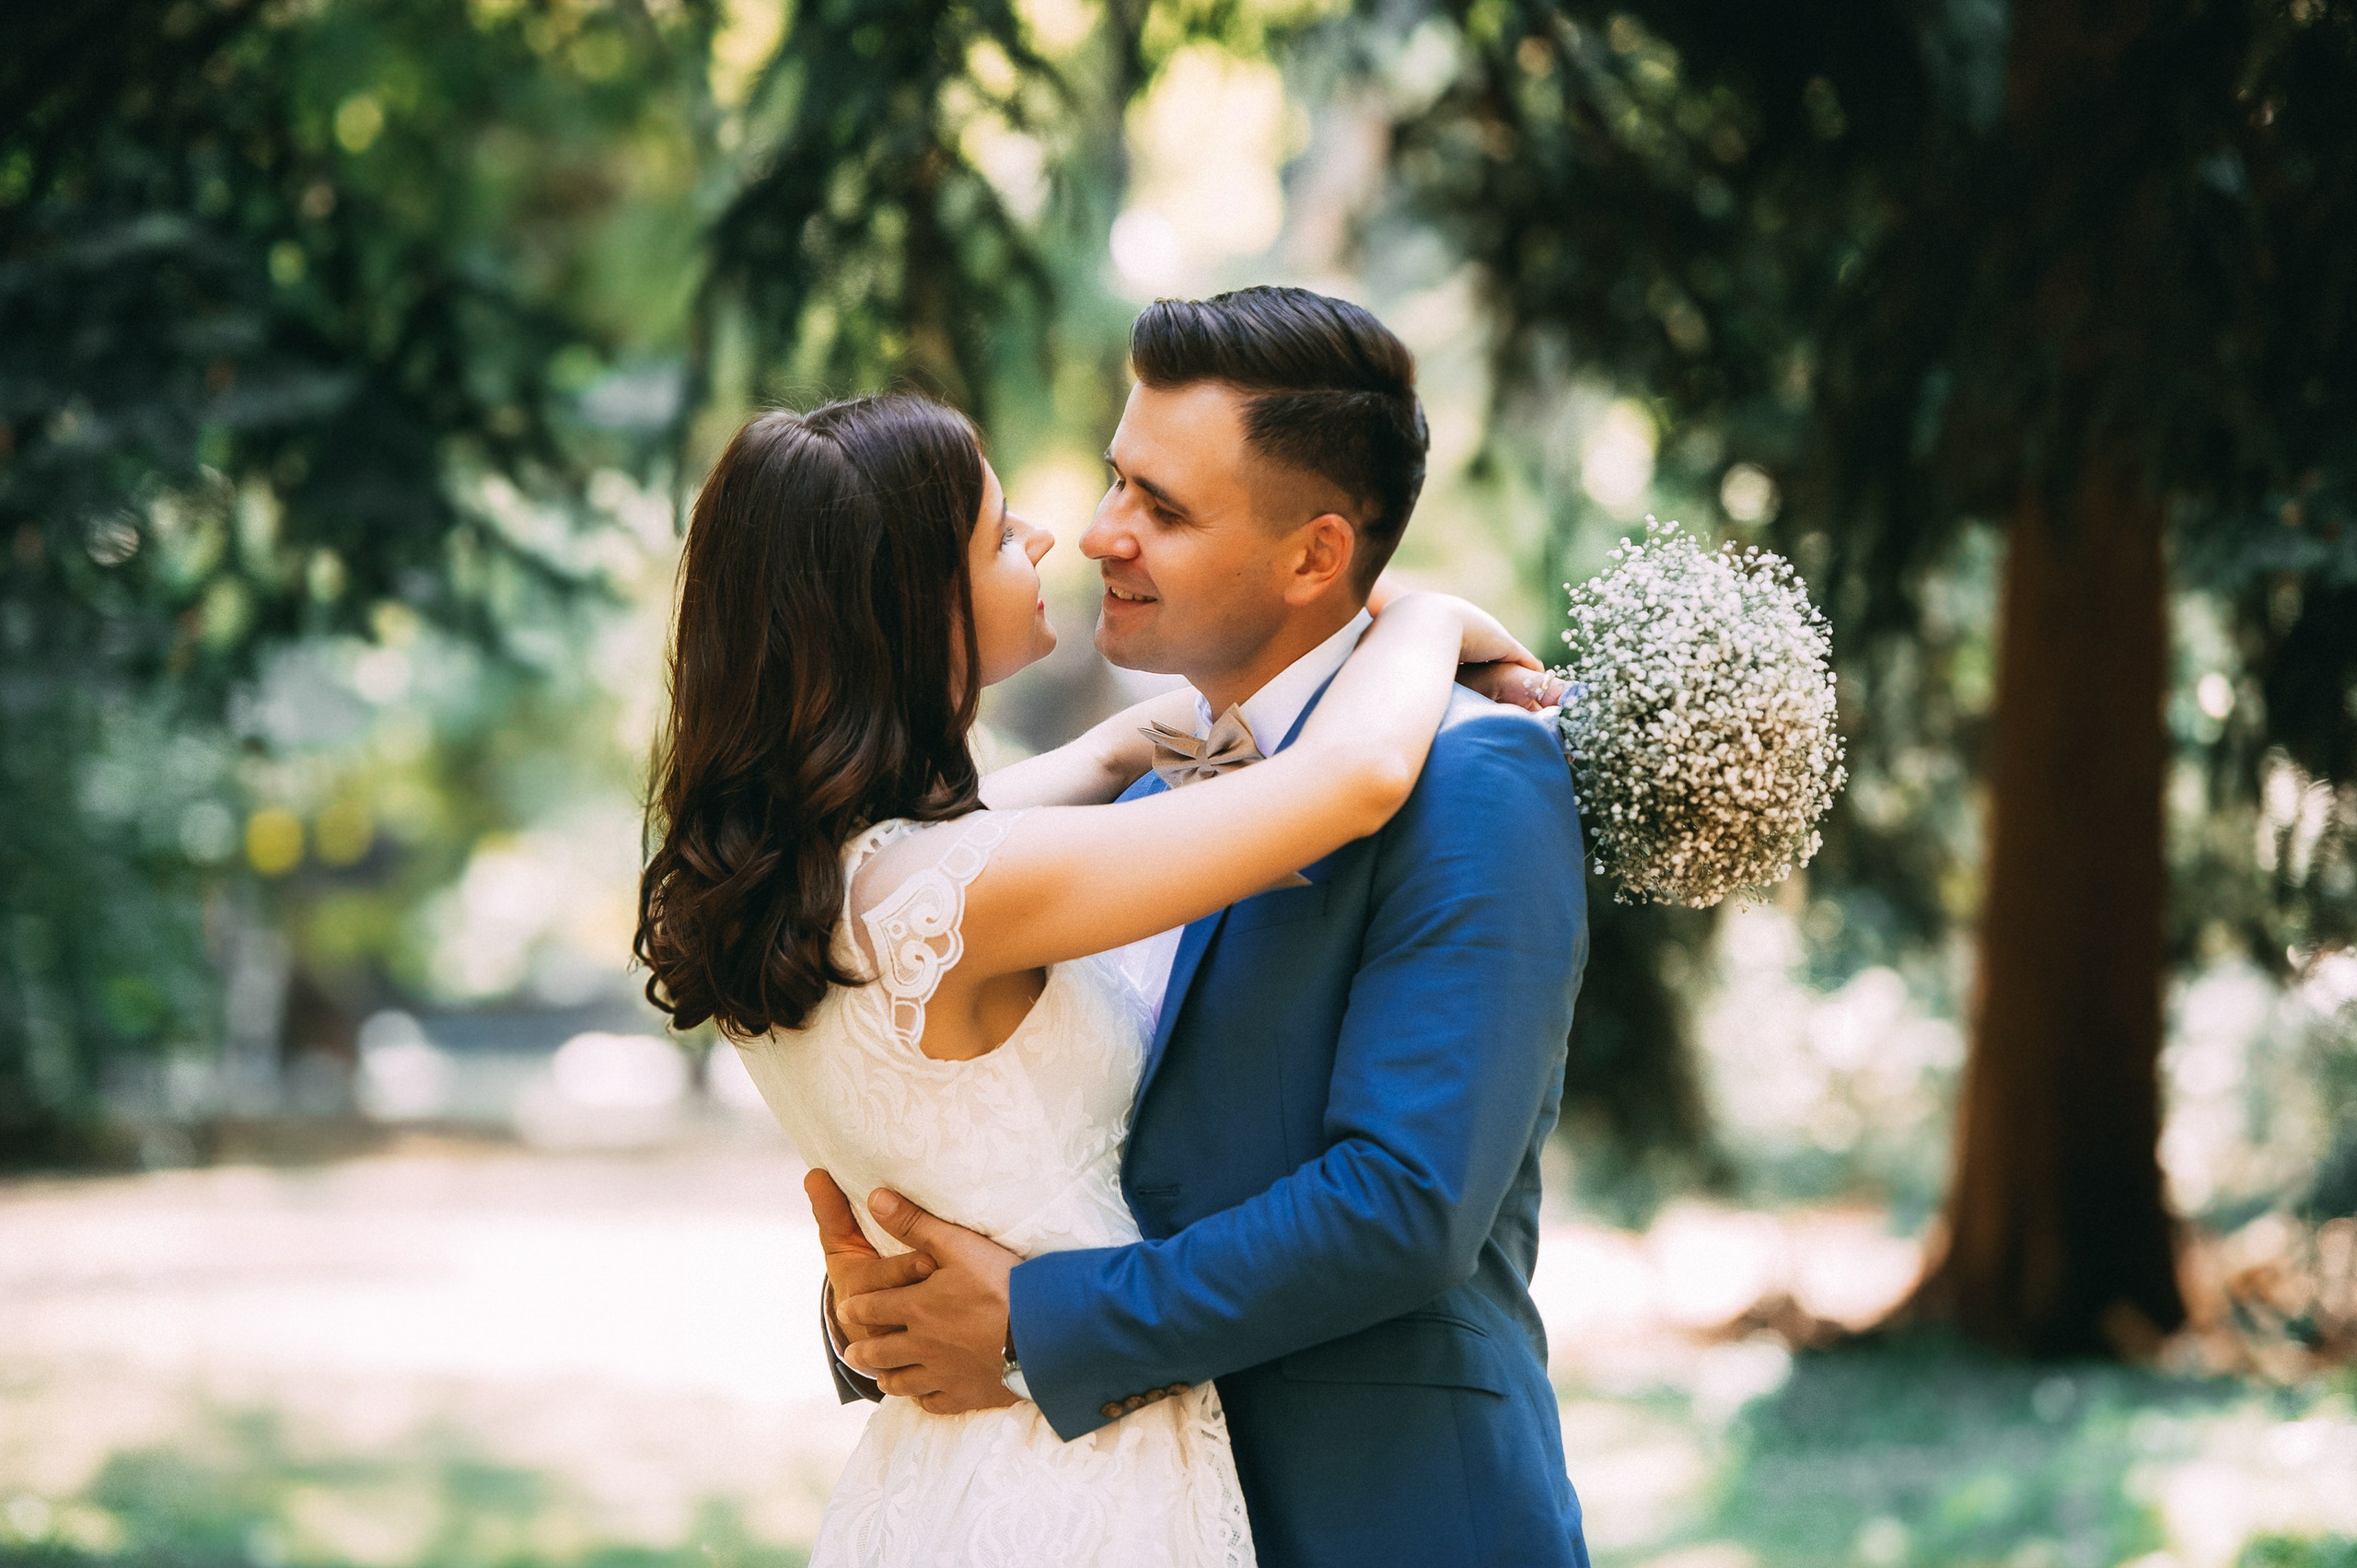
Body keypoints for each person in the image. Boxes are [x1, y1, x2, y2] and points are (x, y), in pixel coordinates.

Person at [633, 369, 1552, 1566]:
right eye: (999, 532)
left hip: (955, 1478)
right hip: (1076, 1491)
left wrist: (1148, 732)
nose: (1056, 538)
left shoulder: (808, 882)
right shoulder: (957, 893)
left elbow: (1061, 787)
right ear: (915, 610)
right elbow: (1353, 781)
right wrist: (1426, 620)